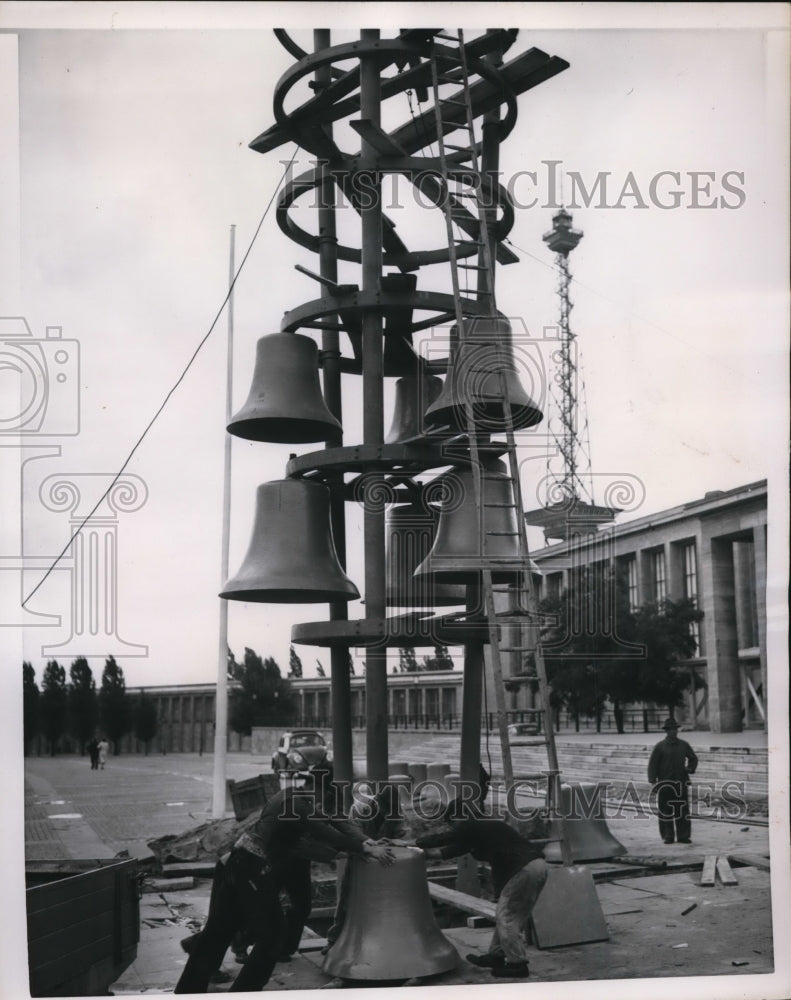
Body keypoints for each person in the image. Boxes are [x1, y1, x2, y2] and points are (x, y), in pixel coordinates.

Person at [174, 766, 395, 994]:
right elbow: (323, 831)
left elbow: (335, 823)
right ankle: (245, 991)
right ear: (317, 789)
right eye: (327, 796)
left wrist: (366, 843)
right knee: (273, 933)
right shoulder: (295, 804)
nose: (327, 802)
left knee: (219, 932)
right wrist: (361, 849)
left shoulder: (300, 800)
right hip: (250, 867)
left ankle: (187, 991)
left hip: (239, 864)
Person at [413, 770, 544, 979]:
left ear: (459, 816)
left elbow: (446, 837)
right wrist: (421, 853)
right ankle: (496, 955)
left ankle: (518, 965)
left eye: (452, 822)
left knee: (507, 916)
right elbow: (446, 851)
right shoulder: (478, 830)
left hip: (523, 868)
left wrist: (415, 842)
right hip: (534, 866)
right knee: (509, 915)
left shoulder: (472, 823)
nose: (453, 826)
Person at [648, 717, 699, 845]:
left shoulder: (684, 745)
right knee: (665, 811)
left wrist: (690, 769)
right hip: (665, 784)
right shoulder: (660, 747)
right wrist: (653, 782)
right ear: (666, 731)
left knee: (682, 810)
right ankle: (668, 836)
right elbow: (652, 765)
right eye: (671, 729)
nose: (674, 732)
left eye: (675, 729)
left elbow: (693, 758)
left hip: (681, 783)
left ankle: (683, 836)